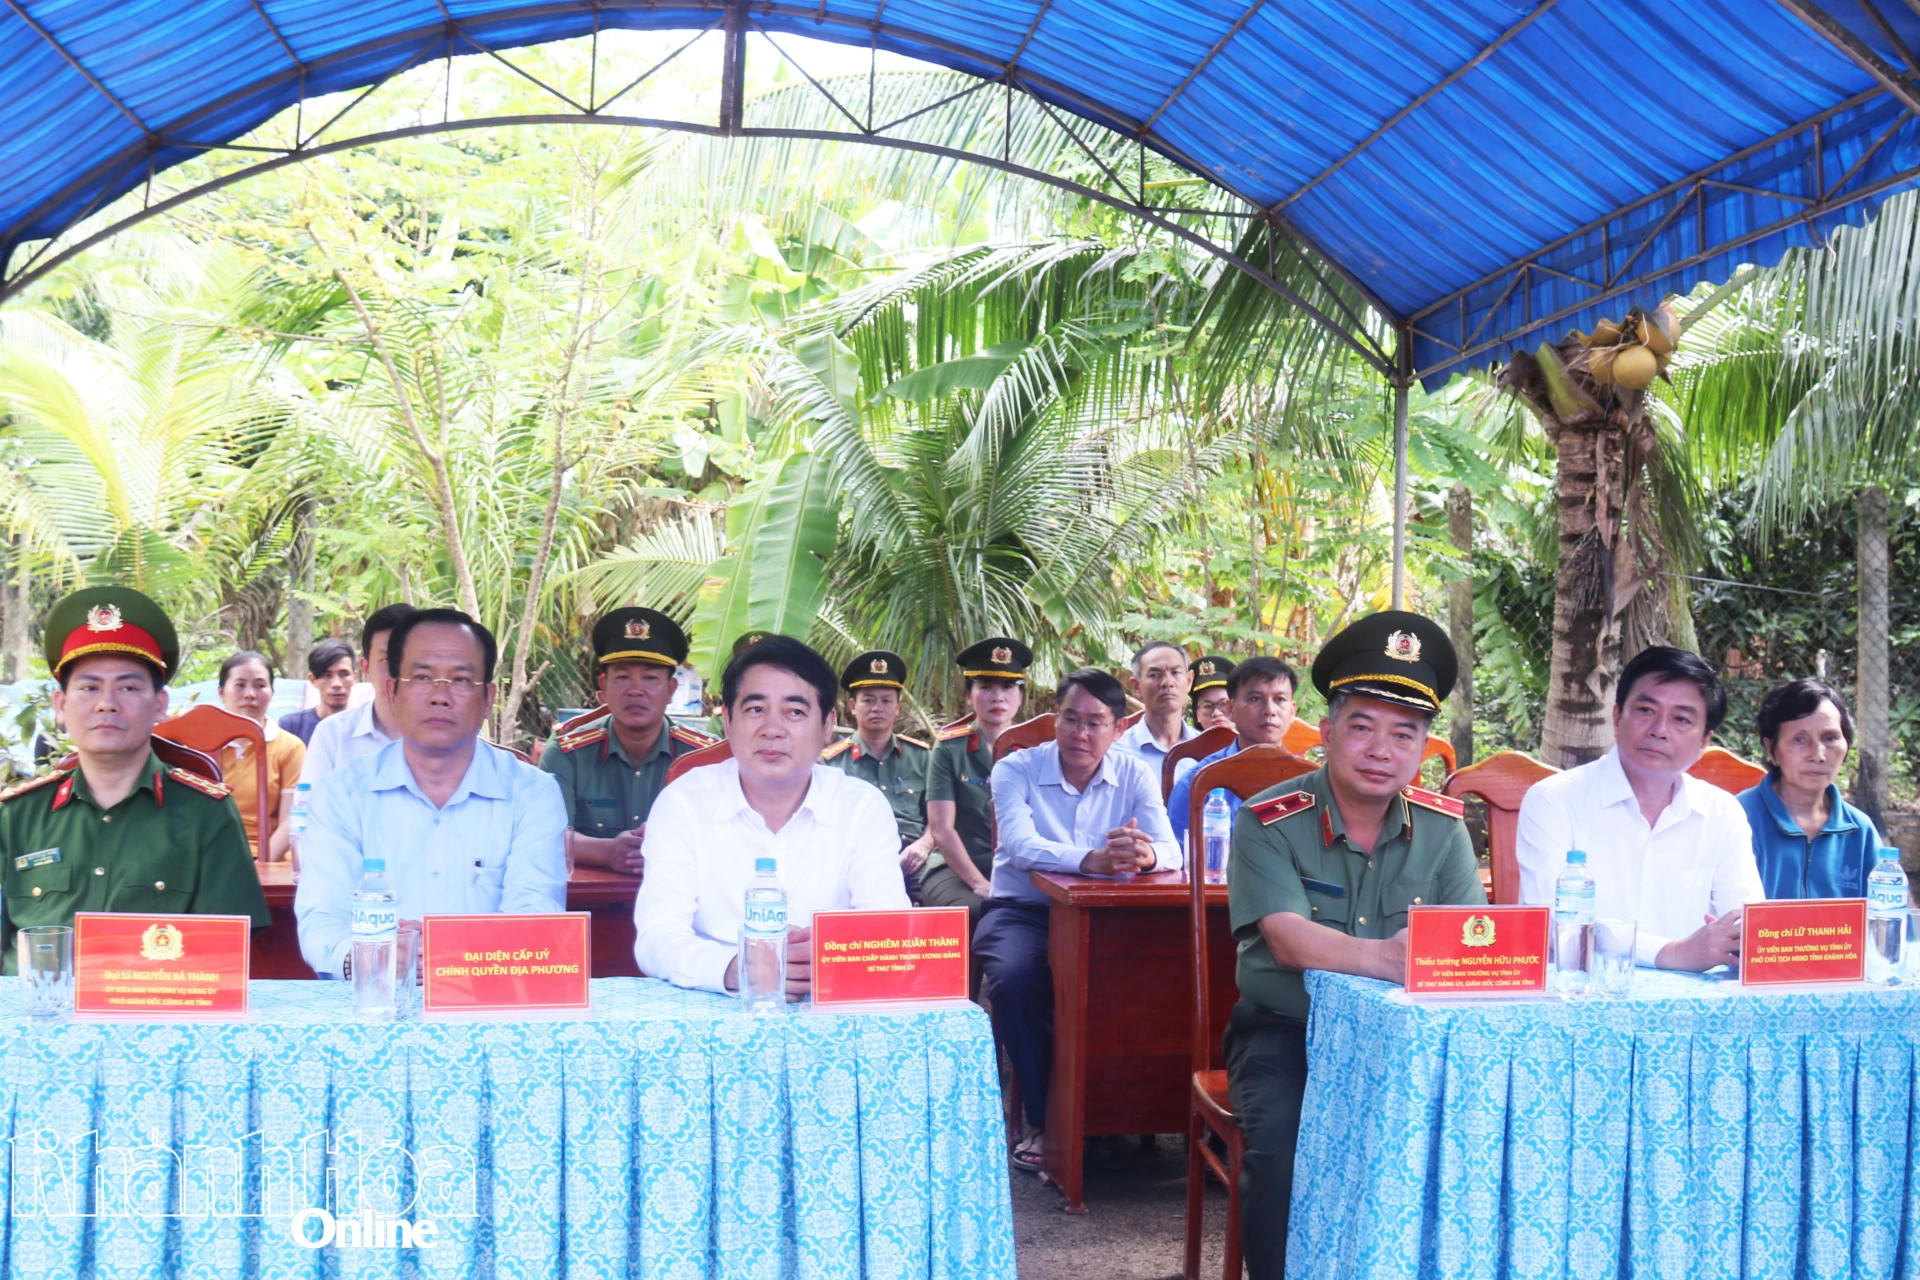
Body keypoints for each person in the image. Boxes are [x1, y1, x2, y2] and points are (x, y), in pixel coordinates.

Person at [1225, 611, 1482, 1278]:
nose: (1381, 750)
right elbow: (1285, 940)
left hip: (1411, 1043)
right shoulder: (1267, 820)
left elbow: (1468, 945)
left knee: (1471, 1146)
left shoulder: (1444, 830)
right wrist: (1385, 958)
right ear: (1327, 732)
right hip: (1289, 1032)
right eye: (1362, 726)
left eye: (1404, 734)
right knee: (1281, 1156)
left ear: (1424, 749)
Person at [0, 587, 269, 970]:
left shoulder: (206, 814)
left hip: (154, 1004)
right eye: (89, 688)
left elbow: (224, 956)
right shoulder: (17, 815)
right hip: (34, 1004)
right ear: (61, 706)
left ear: (160, 705)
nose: (107, 703)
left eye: (128, 687)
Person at [977, 667, 1179, 1173]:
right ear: (1055, 719)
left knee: (1151, 980)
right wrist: (1093, 860)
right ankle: (1048, 1122)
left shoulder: (1135, 772)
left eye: (1094, 723)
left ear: (1119, 727)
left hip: (1106, 917)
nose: (1080, 734)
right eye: (1070, 719)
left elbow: (1172, 849)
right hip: (1025, 912)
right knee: (1016, 980)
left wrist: (1145, 856)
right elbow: (1020, 847)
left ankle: (1116, 1116)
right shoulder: (1016, 768)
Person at [294, 608, 567, 978]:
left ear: (488, 698)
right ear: (391, 691)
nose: (440, 696)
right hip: (372, 995)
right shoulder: (340, 795)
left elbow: (536, 914)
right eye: (422, 677)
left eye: (461, 680)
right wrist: (370, 957)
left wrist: (450, 955)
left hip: (488, 994)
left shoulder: (533, 795)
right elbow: (323, 918)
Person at [631, 636, 909, 995]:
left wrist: (827, 959)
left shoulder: (862, 808)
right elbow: (656, 936)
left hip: (831, 999)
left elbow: (886, 925)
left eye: (794, 712)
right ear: (728, 721)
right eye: (755, 709)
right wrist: (738, 968)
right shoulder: (683, 803)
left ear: (827, 725)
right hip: (715, 1003)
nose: (772, 729)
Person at [1517, 645, 1763, 970]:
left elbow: (1746, 925)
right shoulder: (1553, 800)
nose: (1659, 730)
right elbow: (1550, 924)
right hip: (1583, 990)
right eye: (1646, 710)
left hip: (1696, 994)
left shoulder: (1722, 812)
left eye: (1681, 719)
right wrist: (1672, 953)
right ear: (1617, 716)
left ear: (1705, 741)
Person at [539, 608, 716, 876]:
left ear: (671, 690)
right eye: (622, 677)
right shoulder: (566, 754)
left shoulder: (704, 756)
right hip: (593, 897)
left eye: (650, 678)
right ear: (603, 687)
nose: (635, 690)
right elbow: (542, 835)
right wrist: (606, 852)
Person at [1738, 678, 1884, 899]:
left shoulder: (1859, 831)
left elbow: (1886, 915)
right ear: (1771, 749)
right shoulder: (1738, 818)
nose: (1818, 755)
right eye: (1800, 739)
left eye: (1830, 738)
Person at [922, 637, 1030, 926]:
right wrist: (980, 883)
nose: (998, 697)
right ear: (968, 696)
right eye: (986, 687)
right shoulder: (949, 748)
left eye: (1008, 687)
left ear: (1020, 696)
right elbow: (941, 828)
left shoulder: (1034, 749)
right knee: (978, 910)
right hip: (954, 868)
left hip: (1017, 868)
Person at [820, 649, 936, 877]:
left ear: (898, 707)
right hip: (855, 861)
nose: (877, 708)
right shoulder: (831, 763)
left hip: (916, 859)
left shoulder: (922, 757)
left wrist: (924, 845)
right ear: (853, 706)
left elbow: (940, 818)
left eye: (886, 701)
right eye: (868, 700)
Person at [1166, 656, 1300, 845]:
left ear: (1292, 711)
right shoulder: (1197, 784)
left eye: (1280, 699)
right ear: (1230, 710)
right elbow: (1176, 857)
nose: (1269, 710)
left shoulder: (1311, 782)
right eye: (1255, 699)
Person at [299, 604, 418, 786]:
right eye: (387, 659)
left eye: (410, 658)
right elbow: (309, 801)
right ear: (366, 668)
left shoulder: (454, 736)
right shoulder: (332, 734)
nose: (398, 670)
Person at [213, 650, 307, 860]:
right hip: (211, 859)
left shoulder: (290, 747)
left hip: (267, 860)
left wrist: (257, 867)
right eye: (240, 685)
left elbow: (290, 820)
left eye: (259, 685)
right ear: (221, 693)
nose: (250, 694)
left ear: (272, 692)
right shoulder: (201, 746)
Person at [1116, 640, 1196, 769]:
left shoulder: (1208, 751)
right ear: (1136, 687)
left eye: (1175, 673)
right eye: (1155, 675)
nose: (1168, 682)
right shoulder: (1116, 753)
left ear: (1189, 681)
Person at [278, 639, 357, 744]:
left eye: (344, 674)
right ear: (313, 680)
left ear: (355, 677)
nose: (336, 684)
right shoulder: (291, 727)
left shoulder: (366, 726)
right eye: (327, 675)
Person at [1190, 655, 1236, 733]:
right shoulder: (1188, 741)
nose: (1216, 713)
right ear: (1197, 714)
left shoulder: (1256, 740)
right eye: (1208, 706)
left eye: (1223, 704)